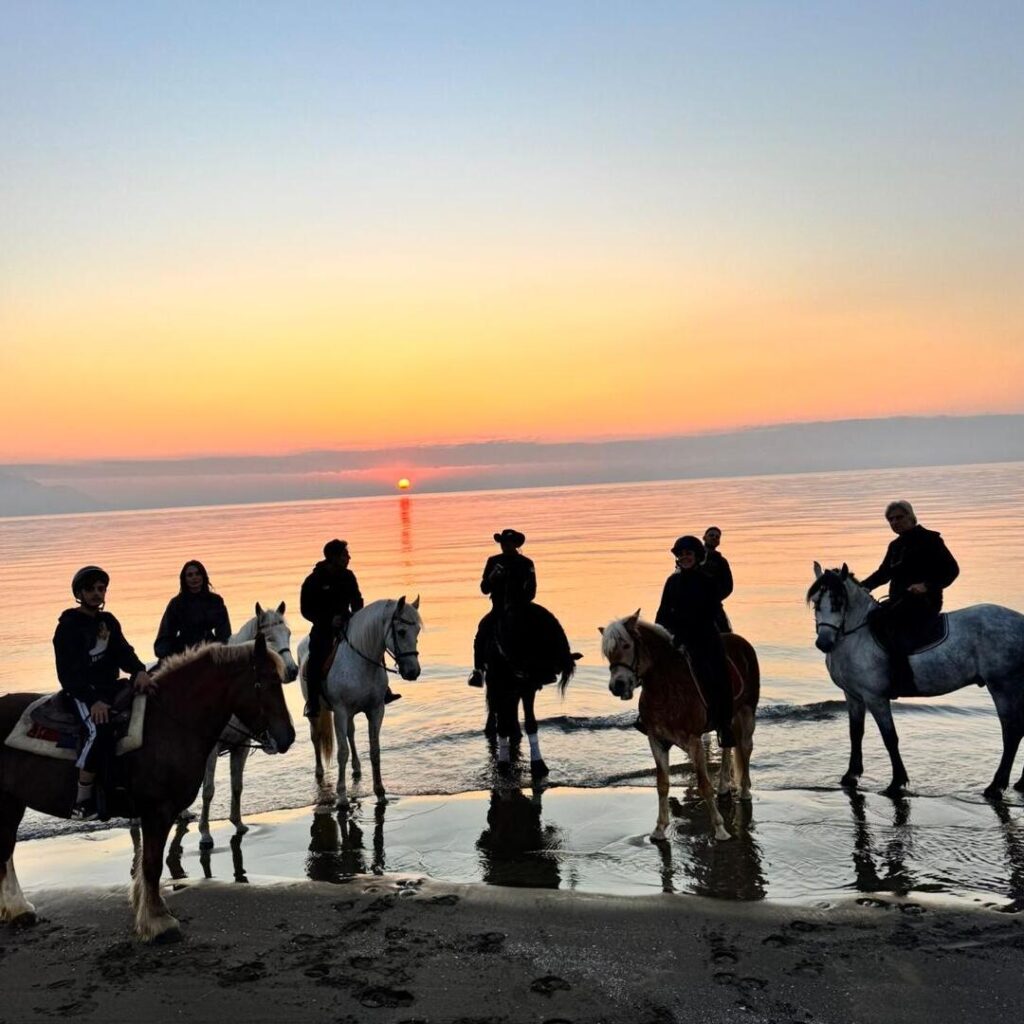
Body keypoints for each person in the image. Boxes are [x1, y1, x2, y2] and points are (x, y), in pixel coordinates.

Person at [52, 566, 157, 821]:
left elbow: (123, 651)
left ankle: (124, 786)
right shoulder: (68, 627)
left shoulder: (108, 621)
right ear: (79, 593)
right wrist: (93, 700)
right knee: (97, 730)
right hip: (82, 692)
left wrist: (139, 671)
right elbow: (68, 674)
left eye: (101, 589)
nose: (97, 594)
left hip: (111, 688)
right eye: (91, 589)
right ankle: (82, 799)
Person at [860, 500, 959, 694]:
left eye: (899, 517)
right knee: (871, 620)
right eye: (891, 520)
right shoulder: (895, 545)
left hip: (924, 603)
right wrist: (861, 587)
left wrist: (926, 586)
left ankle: (903, 680)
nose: (895, 522)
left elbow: (951, 570)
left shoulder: (930, 540)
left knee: (894, 630)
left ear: (911, 517)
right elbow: (883, 573)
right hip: (898, 603)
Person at [300, 539, 399, 717]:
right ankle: (313, 702)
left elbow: (357, 600)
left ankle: (384, 690)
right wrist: (328, 621)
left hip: (348, 623)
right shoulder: (313, 581)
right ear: (333, 557)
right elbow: (306, 610)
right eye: (345, 555)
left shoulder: (348, 576)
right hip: (324, 629)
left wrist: (358, 619)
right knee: (315, 658)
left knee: (374, 647)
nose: (349, 558)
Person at [654, 536, 735, 748]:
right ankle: (651, 719)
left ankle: (723, 724)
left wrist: (686, 633)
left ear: (696, 556)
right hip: (677, 640)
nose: (684, 557)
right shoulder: (672, 582)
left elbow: (710, 613)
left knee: (716, 674)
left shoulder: (708, 581)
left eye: (688, 554)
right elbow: (662, 614)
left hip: (704, 638)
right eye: (681, 554)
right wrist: (662, 636)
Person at [467, 529, 537, 687]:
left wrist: (518, 603)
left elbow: (532, 590)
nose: (505, 546)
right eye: (503, 543)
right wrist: (492, 577)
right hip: (498, 609)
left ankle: (551, 665)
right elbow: (484, 589)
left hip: (521, 608)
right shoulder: (493, 561)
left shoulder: (526, 563)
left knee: (545, 626)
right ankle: (478, 671)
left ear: (515, 544)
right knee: (482, 632)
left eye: (508, 543)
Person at [153, 559, 232, 659]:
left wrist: (219, 651)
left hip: (210, 650)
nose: (194, 578)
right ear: (184, 579)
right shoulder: (176, 603)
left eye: (197, 574)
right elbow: (165, 635)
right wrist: (169, 654)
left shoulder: (215, 601)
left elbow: (224, 633)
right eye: (190, 575)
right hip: (183, 653)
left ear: (203, 576)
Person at [701, 526, 733, 633]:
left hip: (713, 606)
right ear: (704, 537)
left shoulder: (721, 562)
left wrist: (714, 598)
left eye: (717, 537)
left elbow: (728, 587)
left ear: (719, 542)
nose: (714, 538)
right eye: (711, 535)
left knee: (724, 633)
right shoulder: (692, 557)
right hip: (690, 603)